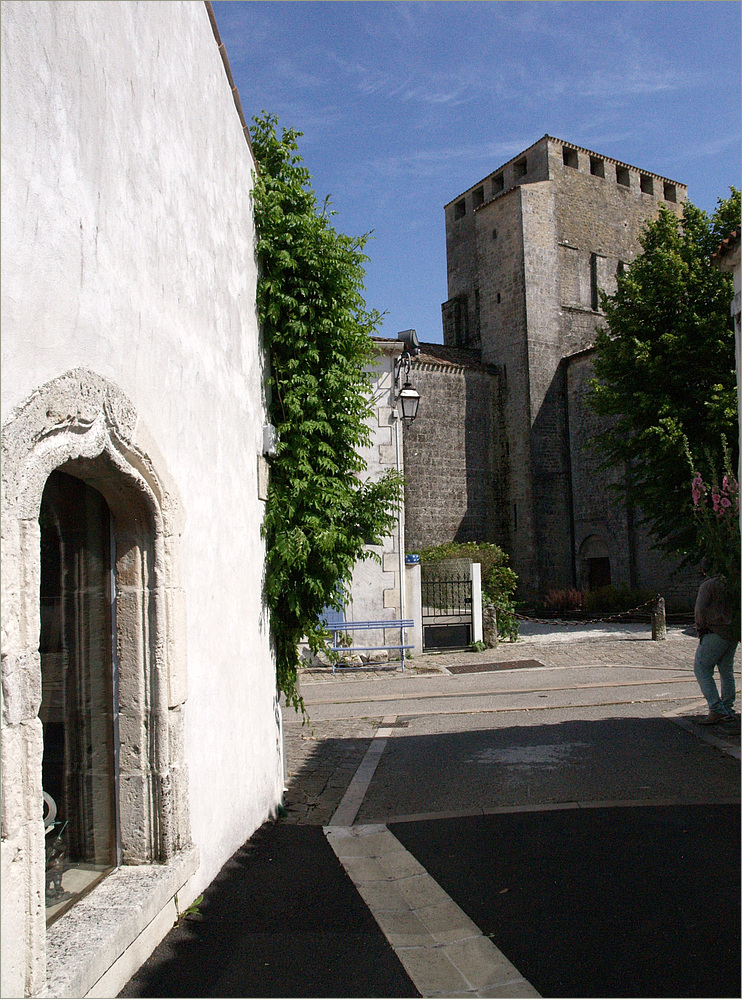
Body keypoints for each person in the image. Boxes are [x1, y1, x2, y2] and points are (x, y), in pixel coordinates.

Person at [693, 558, 739, 726]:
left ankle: (716, 709)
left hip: (715, 631)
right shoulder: (732, 584)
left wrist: (700, 628)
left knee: (702, 668)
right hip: (732, 632)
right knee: (726, 670)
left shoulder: (708, 585)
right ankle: (728, 708)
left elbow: (700, 609)